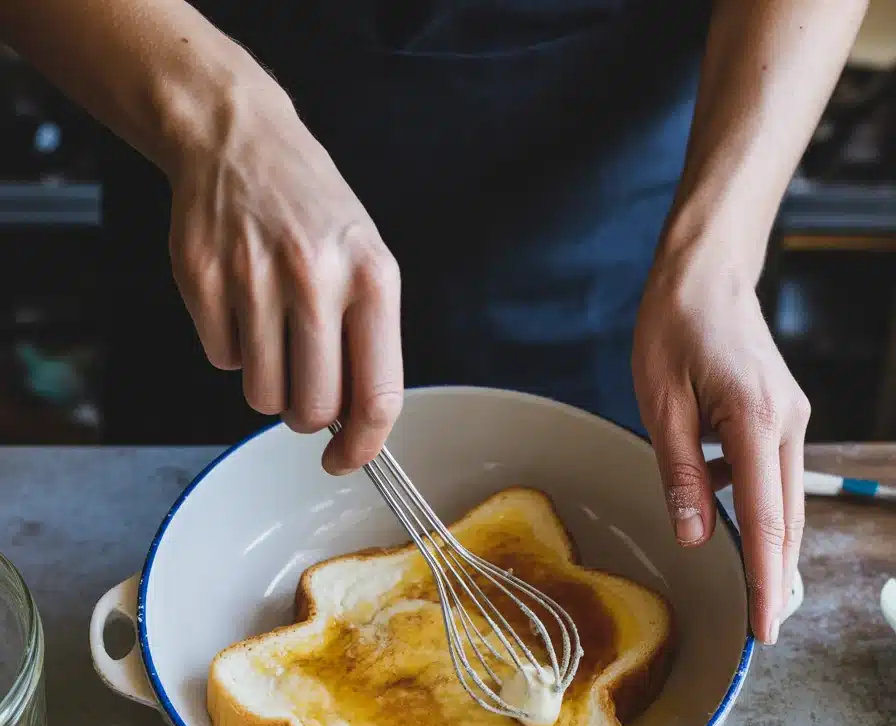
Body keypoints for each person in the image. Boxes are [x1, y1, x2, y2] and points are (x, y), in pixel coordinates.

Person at [0, 0, 869, 647]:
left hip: (612, 204)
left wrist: (718, 255)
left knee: (618, 509)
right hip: (194, 130)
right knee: (193, 570)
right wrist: (215, 117)